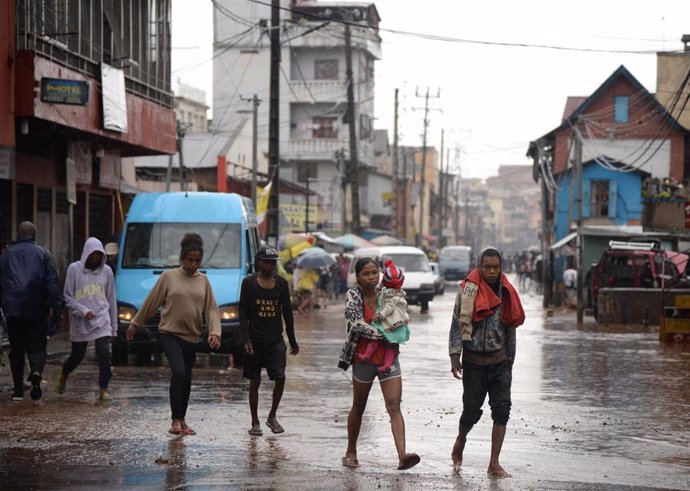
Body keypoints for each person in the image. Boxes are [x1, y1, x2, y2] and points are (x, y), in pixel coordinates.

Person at [126, 233, 221, 435]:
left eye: (197, 261)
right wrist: (135, 324)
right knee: (178, 371)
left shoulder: (203, 280)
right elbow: (151, 302)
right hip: (169, 334)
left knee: (186, 377)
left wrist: (215, 333)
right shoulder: (168, 277)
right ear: (182, 258)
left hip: (191, 336)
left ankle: (183, 420)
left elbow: (212, 309)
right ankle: (174, 420)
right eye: (189, 260)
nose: (193, 264)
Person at [449, 247, 525, 477]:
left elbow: (510, 329)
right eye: (487, 267)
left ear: (501, 268)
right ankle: (461, 439)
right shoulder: (466, 292)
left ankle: (494, 462)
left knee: (502, 410)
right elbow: (456, 324)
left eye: (496, 267)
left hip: (499, 361)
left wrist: (510, 362)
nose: (491, 272)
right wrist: (455, 356)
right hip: (473, 362)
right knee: (471, 411)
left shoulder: (506, 292)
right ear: (479, 267)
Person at [338, 257, 420, 471]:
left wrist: (396, 333)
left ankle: (402, 456)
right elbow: (356, 325)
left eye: (375, 272)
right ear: (358, 277)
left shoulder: (388, 293)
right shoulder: (353, 296)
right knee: (358, 406)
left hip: (388, 357)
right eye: (366, 273)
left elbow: (401, 314)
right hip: (363, 359)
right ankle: (351, 452)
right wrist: (384, 334)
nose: (372, 277)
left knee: (394, 406)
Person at [239, 246, 299, 436]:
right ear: (258, 262)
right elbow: (243, 313)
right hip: (255, 342)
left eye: (273, 262)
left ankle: (272, 416)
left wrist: (292, 340)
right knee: (254, 381)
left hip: (275, 341)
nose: (269, 265)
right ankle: (255, 421)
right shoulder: (248, 283)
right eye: (266, 261)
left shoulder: (281, 284)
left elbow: (288, 314)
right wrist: (246, 339)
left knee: (280, 377)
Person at [0, 221, 63, 401]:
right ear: (34, 236)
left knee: (17, 349)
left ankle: (18, 390)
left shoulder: (5, 256)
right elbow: (52, 286)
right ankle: (35, 373)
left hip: (13, 311)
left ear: (18, 235)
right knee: (37, 347)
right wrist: (57, 313)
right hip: (36, 310)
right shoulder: (43, 254)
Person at [54, 238, 117, 401]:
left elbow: (111, 299)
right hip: (81, 322)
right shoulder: (74, 269)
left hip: (102, 320)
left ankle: (103, 389)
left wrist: (114, 327)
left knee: (104, 355)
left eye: (98, 255)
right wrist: (83, 311)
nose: (95, 258)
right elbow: (67, 297)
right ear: (86, 255)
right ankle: (64, 374)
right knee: (77, 356)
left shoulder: (107, 271)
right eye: (92, 255)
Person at [361, 259, 410, 373]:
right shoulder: (399, 293)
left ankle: (366, 355)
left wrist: (379, 315)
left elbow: (389, 308)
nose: (372, 277)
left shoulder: (391, 295)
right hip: (397, 324)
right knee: (391, 346)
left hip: (390, 323)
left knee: (376, 339)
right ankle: (387, 365)